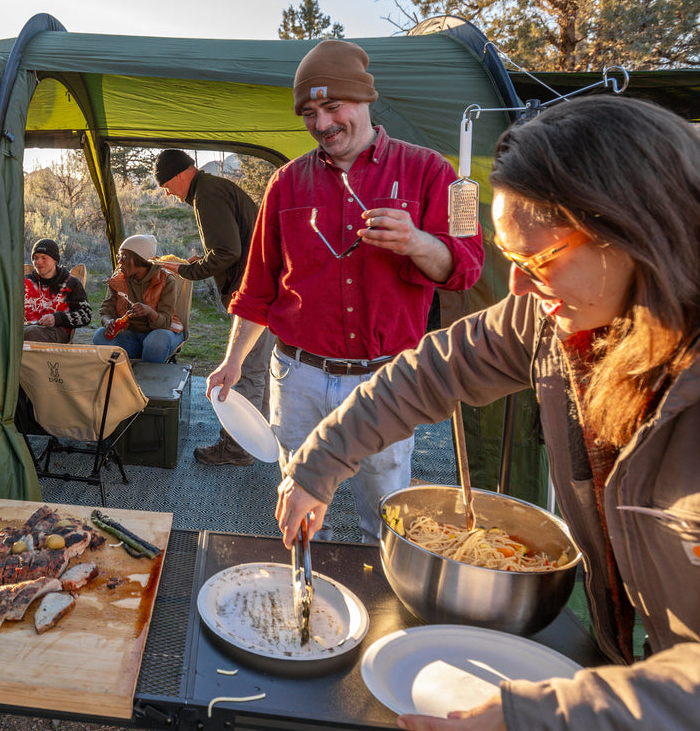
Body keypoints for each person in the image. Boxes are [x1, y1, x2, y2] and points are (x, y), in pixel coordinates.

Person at [275, 96, 700, 731]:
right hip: (656, 703)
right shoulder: (567, 307)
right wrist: (317, 467)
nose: (524, 286)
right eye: (509, 260)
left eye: (541, 257)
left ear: (635, 229)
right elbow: (430, 369)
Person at [207, 39, 484, 542]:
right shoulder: (287, 183)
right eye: (310, 112)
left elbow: (464, 268)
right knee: (302, 504)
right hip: (297, 377)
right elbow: (258, 289)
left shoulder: (427, 172)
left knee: (384, 511)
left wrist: (417, 242)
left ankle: (385, 608)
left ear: (365, 100)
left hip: (384, 381)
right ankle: (309, 607)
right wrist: (231, 361)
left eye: (333, 106)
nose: (322, 123)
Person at [154, 148, 272, 467]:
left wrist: (186, 271)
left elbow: (228, 251)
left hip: (252, 293)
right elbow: (232, 245)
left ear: (180, 174)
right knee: (258, 368)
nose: (168, 193)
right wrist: (200, 262)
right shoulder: (214, 188)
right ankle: (259, 438)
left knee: (244, 369)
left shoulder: (206, 194)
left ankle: (236, 446)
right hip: (261, 287)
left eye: (166, 185)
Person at [90, 234, 185, 363]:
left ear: (140, 259)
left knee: (156, 342)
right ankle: (145, 358)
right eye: (119, 257)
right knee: (101, 336)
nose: (119, 262)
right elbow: (106, 310)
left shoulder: (165, 280)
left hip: (163, 334)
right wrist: (108, 322)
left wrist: (149, 312)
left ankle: (148, 377)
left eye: (123, 257)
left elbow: (166, 322)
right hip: (132, 336)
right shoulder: (119, 279)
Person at [23, 238, 91, 343]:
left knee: (28, 333)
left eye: (44, 258)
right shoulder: (25, 282)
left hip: (57, 332)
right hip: (26, 328)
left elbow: (86, 315)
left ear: (55, 260)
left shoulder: (70, 283)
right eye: (35, 258)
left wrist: (57, 318)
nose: (38, 262)